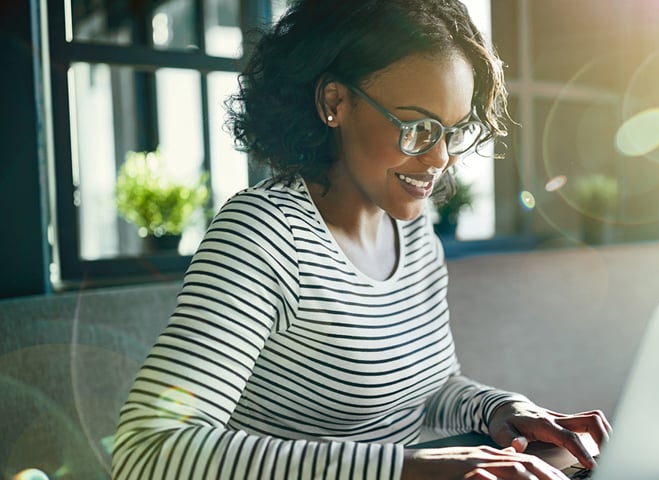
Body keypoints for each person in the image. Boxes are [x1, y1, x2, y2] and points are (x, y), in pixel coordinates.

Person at [111, 1, 610, 478]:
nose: (440, 159)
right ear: (335, 102)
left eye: (453, 132)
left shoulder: (412, 233)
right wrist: (408, 469)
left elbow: (429, 387)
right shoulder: (265, 233)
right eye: (417, 127)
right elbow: (149, 448)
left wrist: (504, 409)